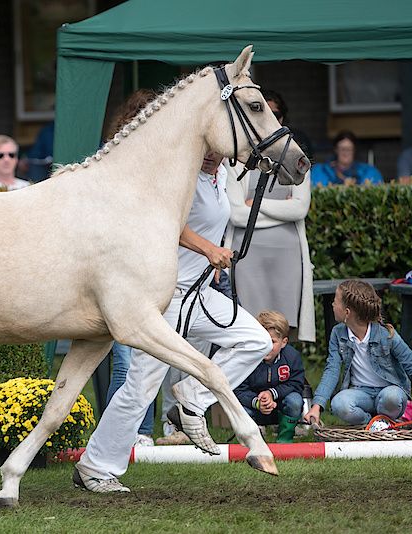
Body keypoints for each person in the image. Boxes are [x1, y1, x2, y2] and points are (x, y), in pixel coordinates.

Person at [73, 151, 272, 493]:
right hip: (164, 298)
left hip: (199, 295)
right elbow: (168, 224)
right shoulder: (181, 173)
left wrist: (209, 260)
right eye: (207, 151)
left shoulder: (221, 175)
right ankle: (95, 466)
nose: (211, 156)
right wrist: (209, 250)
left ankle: (191, 398)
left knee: (257, 340)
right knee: (141, 387)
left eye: (217, 151)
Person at [225, 93, 315, 343]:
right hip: (246, 255)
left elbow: (300, 209)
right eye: (266, 113)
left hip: (287, 257)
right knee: (247, 323)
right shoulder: (238, 158)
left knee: (284, 326)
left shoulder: (298, 156)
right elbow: (237, 215)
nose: (271, 119)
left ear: (283, 118)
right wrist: (280, 211)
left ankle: (283, 375)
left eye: (276, 114)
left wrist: (256, 204)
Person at [102, 89, 160, 448]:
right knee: (126, 359)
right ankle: (119, 435)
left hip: (146, 266)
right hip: (119, 269)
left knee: (147, 358)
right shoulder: (115, 162)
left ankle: (142, 432)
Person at [303, 280, 412, 427]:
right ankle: (373, 425)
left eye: (335, 301)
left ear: (347, 312)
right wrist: (317, 405)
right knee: (339, 403)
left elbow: (410, 363)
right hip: (361, 394)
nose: (332, 304)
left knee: (391, 397)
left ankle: (386, 422)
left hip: (389, 391)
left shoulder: (386, 335)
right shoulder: (338, 333)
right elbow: (332, 370)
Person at [234, 310, 305, 443]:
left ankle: (284, 440)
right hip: (254, 405)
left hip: (280, 406)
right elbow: (238, 390)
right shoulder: (246, 358)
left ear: (284, 342)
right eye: (262, 340)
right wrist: (257, 402)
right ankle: (253, 441)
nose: (266, 345)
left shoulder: (292, 356)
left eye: (272, 341)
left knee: (295, 401)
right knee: (240, 410)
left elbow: (296, 384)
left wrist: (272, 393)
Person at [310, 130, 383, 187]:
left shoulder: (369, 172)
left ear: (354, 150)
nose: (345, 153)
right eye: (342, 149)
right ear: (336, 150)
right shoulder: (320, 171)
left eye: (349, 149)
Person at [261, 89, 313, 160]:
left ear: (282, 116)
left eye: (274, 115)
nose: (270, 120)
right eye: (264, 115)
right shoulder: (250, 140)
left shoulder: (296, 138)